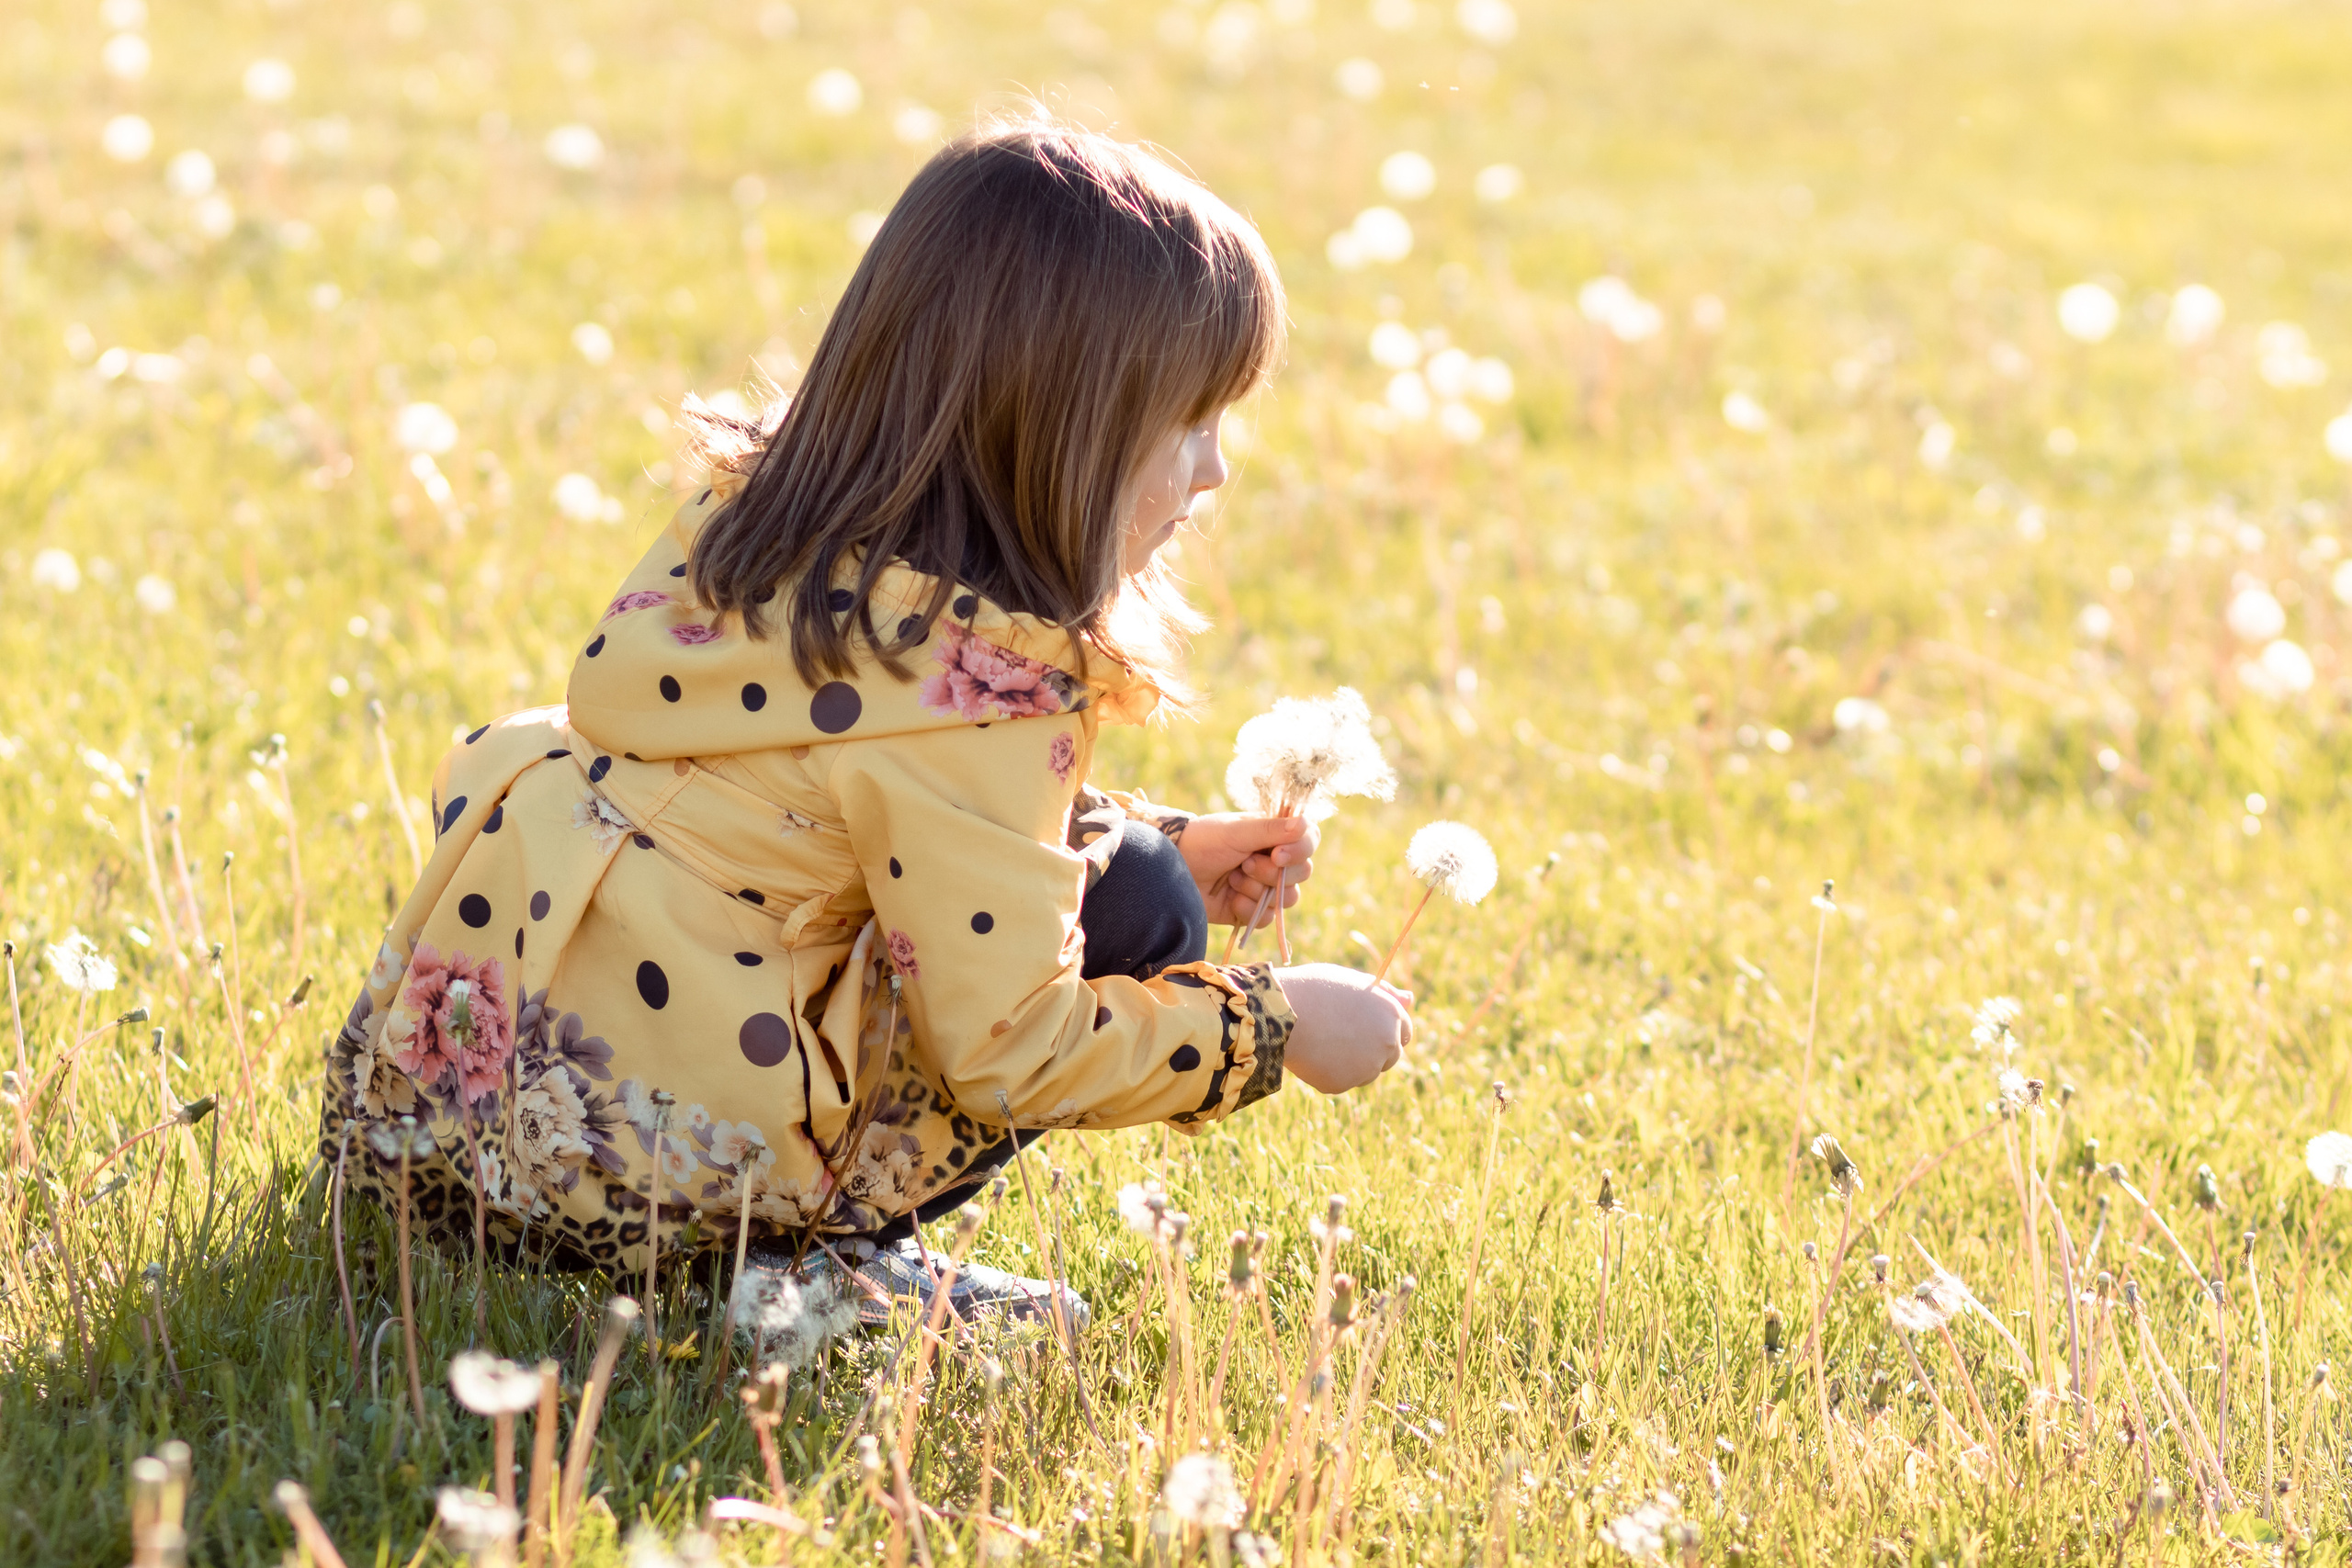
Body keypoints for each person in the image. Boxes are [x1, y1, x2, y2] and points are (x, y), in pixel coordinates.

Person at [319, 116, 1415, 1326]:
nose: (1214, 472)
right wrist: (1280, 1023)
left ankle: (734, 1237)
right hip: (644, 1198)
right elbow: (1013, 1044)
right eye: (1191, 424)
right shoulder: (985, 688)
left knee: (1144, 864)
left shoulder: (765, 529)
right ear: (1060, 429)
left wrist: (1136, 830)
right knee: (1140, 901)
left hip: (435, 1139)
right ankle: (803, 1260)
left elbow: (808, 802)